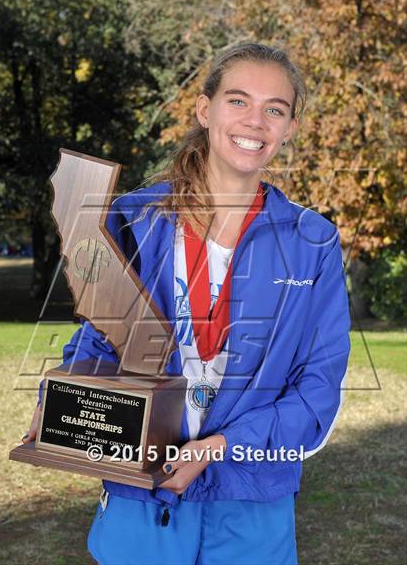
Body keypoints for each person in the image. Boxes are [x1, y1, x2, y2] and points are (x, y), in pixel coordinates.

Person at [22, 43, 351, 565]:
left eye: (275, 109)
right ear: (205, 109)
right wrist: (59, 400)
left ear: (289, 128)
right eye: (238, 101)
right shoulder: (136, 218)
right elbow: (97, 334)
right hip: (141, 492)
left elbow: (317, 388)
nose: (255, 121)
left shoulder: (314, 241)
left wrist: (219, 447)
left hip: (251, 500)